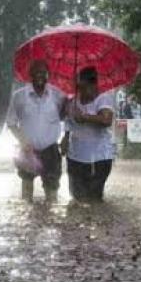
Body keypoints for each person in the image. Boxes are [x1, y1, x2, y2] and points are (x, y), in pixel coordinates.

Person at [6, 60, 68, 201]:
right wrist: (22, 141)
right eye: (37, 72)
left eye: (43, 73)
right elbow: (11, 122)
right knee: (26, 194)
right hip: (28, 150)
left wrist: (66, 137)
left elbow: (66, 117)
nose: (40, 75)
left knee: (52, 193)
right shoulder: (19, 96)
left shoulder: (58, 95)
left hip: (51, 150)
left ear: (48, 75)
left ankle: (50, 221)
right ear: (31, 75)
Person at [62, 67, 115, 202]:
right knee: (76, 197)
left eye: (86, 88)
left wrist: (85, 117)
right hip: (75, 156)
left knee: (94, 198)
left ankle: (96, 220)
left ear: (94, 85)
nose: (83, 92)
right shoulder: (72, 101)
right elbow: (68, 122)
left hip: (99, 158)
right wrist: (65, 138)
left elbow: (106, 120)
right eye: (80, 87)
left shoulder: (104, 99)